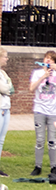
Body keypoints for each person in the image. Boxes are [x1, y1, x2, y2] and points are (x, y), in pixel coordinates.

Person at [30, 50, 56, 176]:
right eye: (46, 58)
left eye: (51, 59)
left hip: (53, 111)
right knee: (40, 140)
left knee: (52, 140)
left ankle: (53, 167)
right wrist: (43, 76)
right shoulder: (37, 73)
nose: (48, 61)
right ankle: (37, 166)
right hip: (39, 110)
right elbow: (31, 88)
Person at [0, 47, 12, 177]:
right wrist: (7, 88)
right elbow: (4, 88)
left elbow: (11, 88)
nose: (7, 59)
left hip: (6, 108)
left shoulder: (3, 73)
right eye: (5, 56)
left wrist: (7, 88)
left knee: (1, 139)